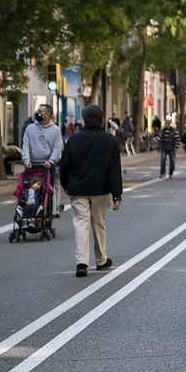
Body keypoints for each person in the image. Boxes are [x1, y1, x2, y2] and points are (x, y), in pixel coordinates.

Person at [60, 105, 122, 277]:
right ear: (102, 119)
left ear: (84, 119)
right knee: (99, 224)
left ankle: (82, 262)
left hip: (78, 188)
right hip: (101, 189)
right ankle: (101, 260)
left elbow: (64, 164)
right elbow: (114, 170)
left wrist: (65, 184)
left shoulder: (74, 139)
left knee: (81, 224)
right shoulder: (109, 140)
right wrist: (117, 194)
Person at [22, 104, 62, 212]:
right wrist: (26, 160)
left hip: (47, 166)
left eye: (40, 111)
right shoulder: (30, 128)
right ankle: (30, 216)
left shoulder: (55, 130)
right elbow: (25, 145)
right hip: (32, 165)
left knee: (47, 192)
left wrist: (51, 161)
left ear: (48, 115)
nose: (37, 113)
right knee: (30, 191)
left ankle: (47, 218)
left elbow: (57, 147)